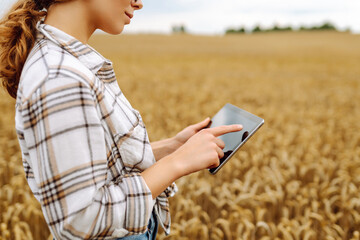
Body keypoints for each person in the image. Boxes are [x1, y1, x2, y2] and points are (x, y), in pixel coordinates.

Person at [0, 0, 243, 239]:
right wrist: (176, 163)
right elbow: (81, 220)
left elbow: (101, 164)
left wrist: (173, 147)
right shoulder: (59, 78)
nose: (139, 3)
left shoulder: (66, 64)